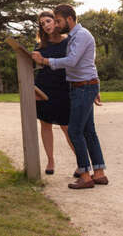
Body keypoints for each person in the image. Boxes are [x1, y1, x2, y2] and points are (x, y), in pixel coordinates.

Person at [32, 4, 108, 189]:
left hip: (83, 88)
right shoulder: (76, 36)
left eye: (57, 21)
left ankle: (85, 176)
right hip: (83, 86)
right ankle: (99, 173)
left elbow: (72, 61)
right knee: (89, 132)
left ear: (69, 19)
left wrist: (45, 61)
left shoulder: (80, 36)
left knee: (74, 131)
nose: (56, 25)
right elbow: (88, 64)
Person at [34, 11, 75, 175]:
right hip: (43, 88)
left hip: (63, 89)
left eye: (48, 21)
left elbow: (73, 63)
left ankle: (82, 163)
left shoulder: (68, 42)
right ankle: (50, 161)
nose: (46, 25)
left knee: (67, 127)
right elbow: (33, 65)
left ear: (56, 21)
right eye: (42, 24)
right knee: (45, 125)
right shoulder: (40, 46)